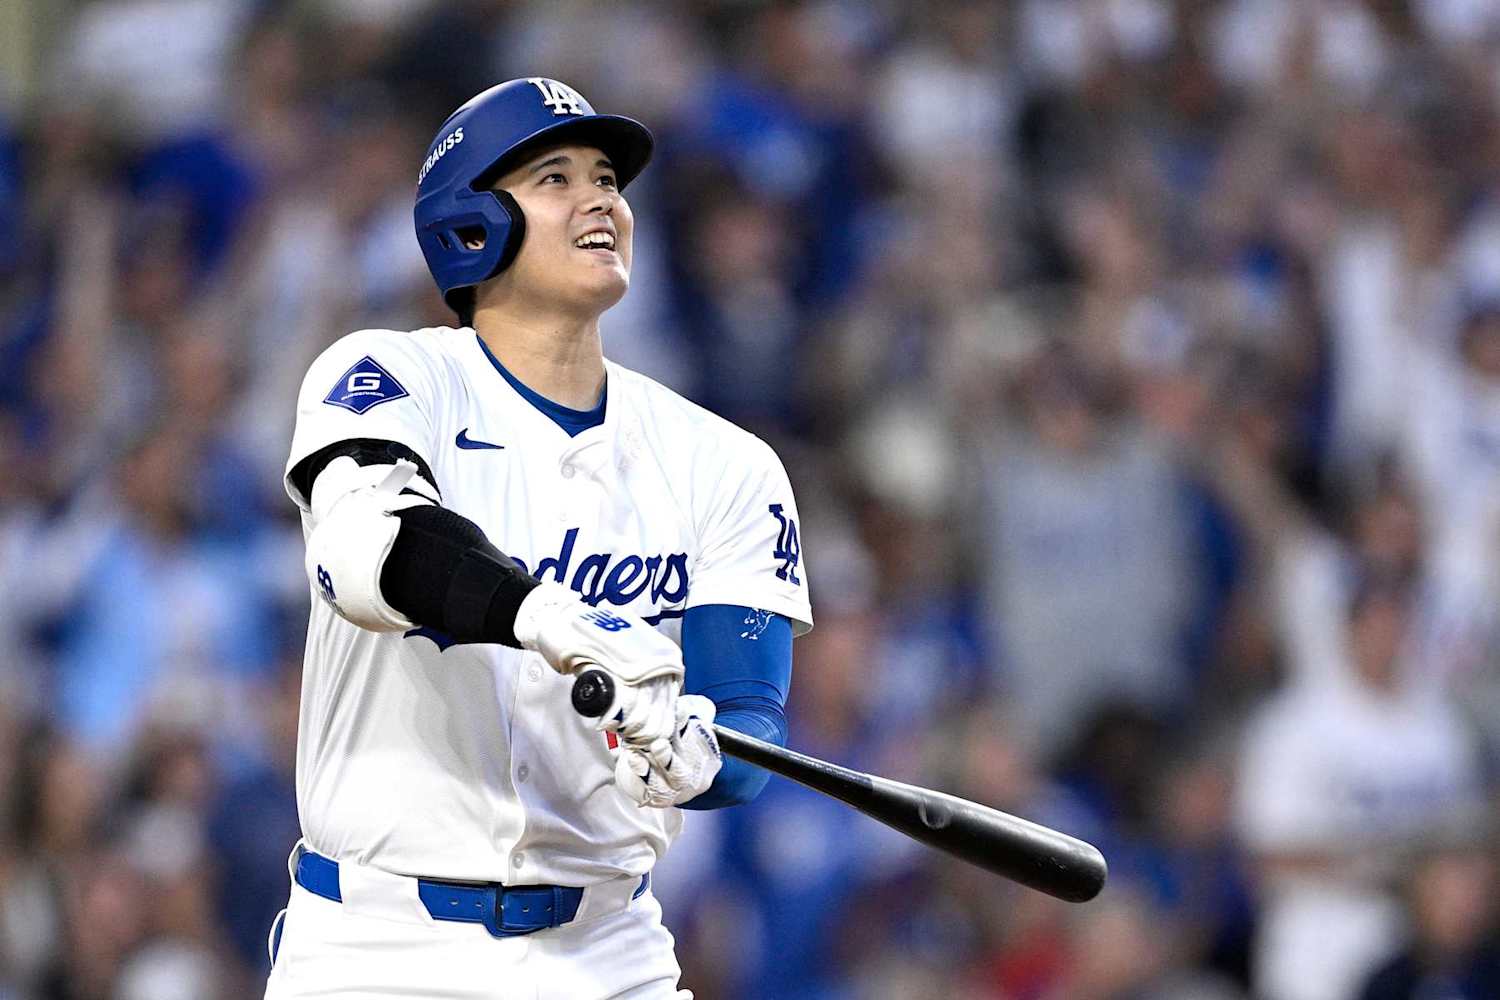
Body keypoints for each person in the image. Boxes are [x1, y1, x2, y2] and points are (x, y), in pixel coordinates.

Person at [262, 77, 813, 1000]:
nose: (600, 201)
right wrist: (551, 619)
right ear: (470, 224)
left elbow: (748, 720)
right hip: (378, 946)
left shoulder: (724, 460)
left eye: (607, 180)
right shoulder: (391, 374)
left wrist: (695, 754)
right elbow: (368, 554)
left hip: (609, 947)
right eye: (555, 179)